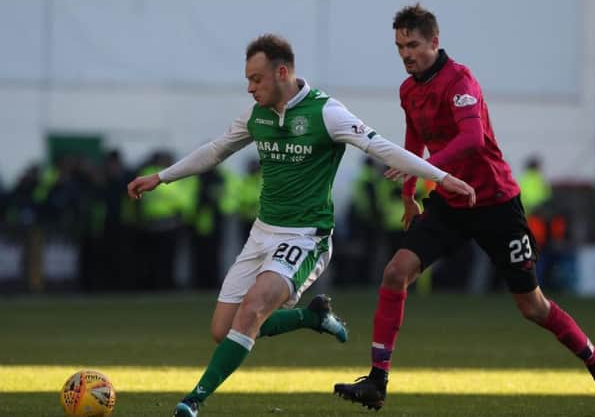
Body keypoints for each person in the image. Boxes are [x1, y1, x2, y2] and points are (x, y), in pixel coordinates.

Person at [126, 34, 475, 417]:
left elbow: (381, 146)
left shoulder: (326, 113)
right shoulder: (255, 116)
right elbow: (215, 150)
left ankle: (193, 399)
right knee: (222, 330)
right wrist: (161, 177)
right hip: (262, 233)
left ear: (282, 72)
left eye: (256, 79)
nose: (250, 87)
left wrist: (440, 177)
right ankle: (311, 317)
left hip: (306, 236)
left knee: (254, 308)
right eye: (248, 79)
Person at [333, 4, 595, 417]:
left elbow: (471, 138)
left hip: (495, 205)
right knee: (396, 272)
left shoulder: (460, 80)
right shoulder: (409, 90)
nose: (406, 54)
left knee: (532, 306)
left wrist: (426, 170)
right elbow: (414, 142)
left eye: (413, 45)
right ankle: (377, 381)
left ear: (435, 41)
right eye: (400, 46)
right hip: (451, 202)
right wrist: (409, 194)